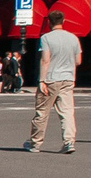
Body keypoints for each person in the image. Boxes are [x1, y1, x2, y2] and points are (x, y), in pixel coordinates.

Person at [26, 12, 80, 153]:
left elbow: (45, 60)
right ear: (64, 20)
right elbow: (78, 61)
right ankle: (69, 142)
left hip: (51, 78)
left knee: (42, 112)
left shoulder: (46, 38)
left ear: (49, 22)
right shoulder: (73, 38)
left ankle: (35, 143)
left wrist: (41, 80)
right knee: (67, 112)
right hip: (68, 78)